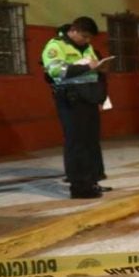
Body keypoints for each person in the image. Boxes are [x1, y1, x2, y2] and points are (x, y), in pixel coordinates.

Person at [42, 17, 109, 199]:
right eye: (85, 36)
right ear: (73, 30)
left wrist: (99, 73)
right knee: (76, 142)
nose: (87, 41)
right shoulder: (56, 46)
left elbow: (93, 72)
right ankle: (79, 187)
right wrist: (87, 66)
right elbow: (55, 71)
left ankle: (92, 181)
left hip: (88, 98)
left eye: (90, 38)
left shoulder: (86, 48)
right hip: (70, 100)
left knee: (90, 141)